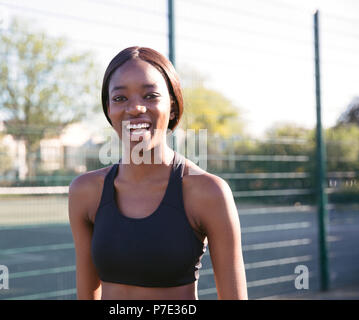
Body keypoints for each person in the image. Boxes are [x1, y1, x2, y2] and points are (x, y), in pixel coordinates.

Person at [68, 46, 248, 300]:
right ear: (109, 109)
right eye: (120, 98)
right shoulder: (85, 192)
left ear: (172, 107)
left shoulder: (208, 192)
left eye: (150, 96)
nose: (136, 108)